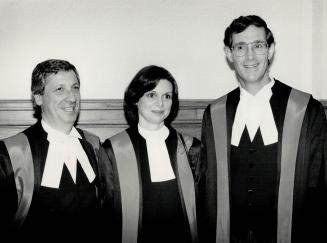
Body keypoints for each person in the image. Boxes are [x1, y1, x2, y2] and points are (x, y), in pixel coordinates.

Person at [198, 15, 327, 243]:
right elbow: (207, 190)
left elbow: (320, 186)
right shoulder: (215, 113)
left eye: (257, 45)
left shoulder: (306, 110)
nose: (249, 56)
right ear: (229, 54)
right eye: (240, 47)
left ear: (270, 50)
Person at [0, 59, 109, 240]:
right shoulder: (12, 153)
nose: (72, 97)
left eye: (75, 87)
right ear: (38, 97)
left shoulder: (94, 145)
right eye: (60, 89)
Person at [100, 65, 201, 243]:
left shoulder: (191, 148)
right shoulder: (114, 150)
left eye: (167, 96)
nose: (160, 103)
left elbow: (202, 211)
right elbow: (106, 214)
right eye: (151, 94)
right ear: (136, 99)